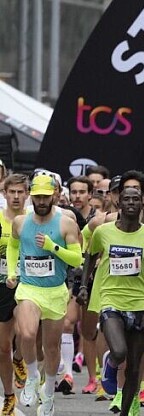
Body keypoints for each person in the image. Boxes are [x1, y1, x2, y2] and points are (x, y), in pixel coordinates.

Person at [79, 186, 144, 416]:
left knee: (134, 369)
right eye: (126, 199)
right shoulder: (103, 232)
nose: (131, 203)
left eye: (136, 199)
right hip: (110, 299)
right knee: (120, 352)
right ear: (119, 203)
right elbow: (90, 255)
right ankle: (110, 364)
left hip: (140, 304)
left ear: (142, 203)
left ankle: (125, 412)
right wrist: (84, 286)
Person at [7, 174, 83, 415]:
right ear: (31, 195)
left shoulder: (66, 223)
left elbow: (77, 259)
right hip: (29, 288)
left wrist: (53, 246)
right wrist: (12, 271)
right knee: (27, 333)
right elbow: (13, 246)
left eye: (45, 197)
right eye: (37, 196)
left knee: (51, 347)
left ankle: (48, 390)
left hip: (55, 291)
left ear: (54, 196)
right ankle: (32, 375)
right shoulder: (20, 222)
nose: (41, 201)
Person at [0, 174, 27, 416]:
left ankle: (19, 356)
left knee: (26, 330)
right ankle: (9, 395)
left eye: (20, 192)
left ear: (27, 194)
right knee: (2, 346)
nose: (16, 196)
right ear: (4, 193)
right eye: (12, 192)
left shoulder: (33, 220)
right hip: (2, 285)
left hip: (26, 283)